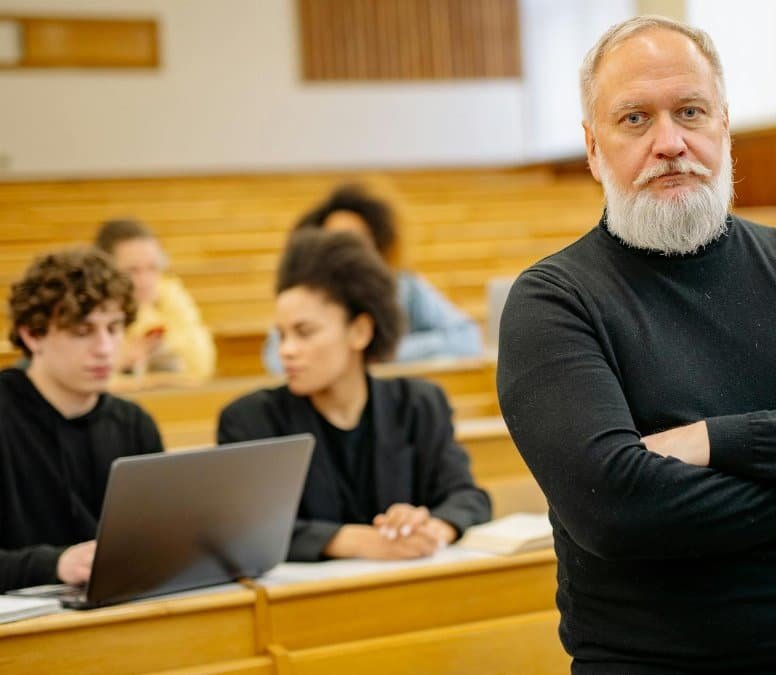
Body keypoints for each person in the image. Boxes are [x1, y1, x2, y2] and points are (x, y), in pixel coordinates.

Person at [496, 16, 776, 675]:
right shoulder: (553, 301)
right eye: (635, 120)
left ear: (724, 126)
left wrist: (705, 441)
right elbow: (616, 507)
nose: (670, 143)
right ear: (593, 148)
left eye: (690, 112)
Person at [220, 230, 490, 561]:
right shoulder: (250, 420)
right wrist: (354, 541)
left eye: (304, 332)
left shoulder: (419, 404)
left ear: (360, 331)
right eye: (282, 335)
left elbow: (467, 497)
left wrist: (429, 528)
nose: (286, 350)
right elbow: (244, 528)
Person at [1, 248, 164, 592]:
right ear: (33, 335)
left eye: (114, 328)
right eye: (82, 331)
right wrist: (54, 564)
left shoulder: (134, 424)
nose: (104, 348)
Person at [261, 184, 482, 373]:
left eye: (356, 240)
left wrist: (384, 353)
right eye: (335, 240)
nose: (346, 251)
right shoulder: (305, 295)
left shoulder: (405, 287)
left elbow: (466, 337)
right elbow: (275, 359)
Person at [95, 218, 216, 388]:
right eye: (132, 271)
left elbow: (201, 367)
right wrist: (120, 362)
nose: (145, 281)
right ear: (106, 273)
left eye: (152, 268)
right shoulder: (89, 313)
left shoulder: (170, 296)